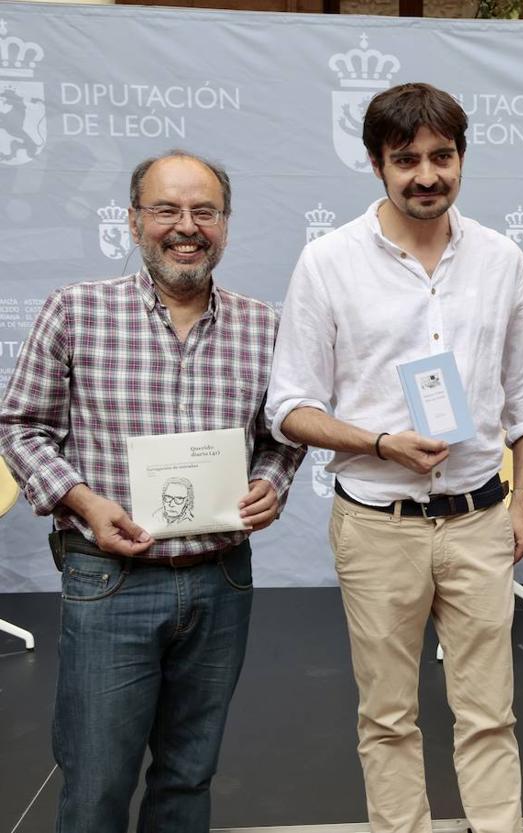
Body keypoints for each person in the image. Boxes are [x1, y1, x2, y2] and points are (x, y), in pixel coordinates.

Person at [265, 82, 523, 833]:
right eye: (407, 160)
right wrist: (380, 440)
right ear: (375, 164)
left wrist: (520, 504)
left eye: (442, 156)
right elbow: (288, 406)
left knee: (490, 713)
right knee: (388, 717)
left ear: (461, 156)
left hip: (479, 519)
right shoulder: (327, 263)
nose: (427, 174)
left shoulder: (501, 259)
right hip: (376, 524)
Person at [0, 150, 306, 833]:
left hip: (221, 581)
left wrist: (271, 482)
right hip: (109, 577)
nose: (186, 226)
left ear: (225, 224)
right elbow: (21, 427)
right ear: (134, 221)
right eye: (166, 209)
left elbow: (284, 433)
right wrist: (83, 501)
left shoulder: (266, 324)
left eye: (205, 211)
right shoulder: (74, 311)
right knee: (97, 776)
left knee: (188, 774)